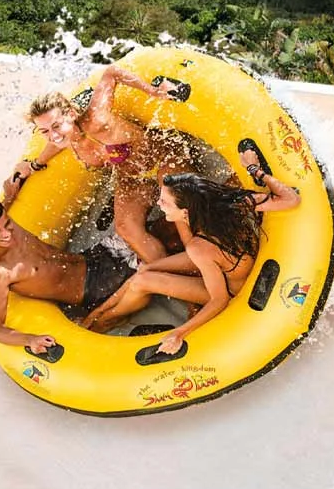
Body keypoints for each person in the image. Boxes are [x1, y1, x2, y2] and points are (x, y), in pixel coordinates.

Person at [80, 148, 301, 354]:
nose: (159, 203)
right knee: (144, 270)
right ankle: (100, 313)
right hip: (220, 261)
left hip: (229, 286)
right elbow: (291, 199)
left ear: (184, 212)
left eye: (164, 202)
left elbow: (219, 299)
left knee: (142, 281)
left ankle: (104, 319)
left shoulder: (199, 248)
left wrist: (179, 332)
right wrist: (255, 170)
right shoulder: (229, 203)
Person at [20, 64, 187, 263]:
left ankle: (199, 260)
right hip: (134, 177)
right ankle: (168, 274)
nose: (53, 135)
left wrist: (153, 92)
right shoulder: (66, 139)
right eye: (45, 131)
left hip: (163, 158)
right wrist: (34, 165)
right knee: (126, 229)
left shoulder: (95, 120)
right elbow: (55, 144)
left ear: (71, 115)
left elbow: (111, 73)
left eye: (56, 125)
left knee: (179, 206)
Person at [0, 194, 134, 357]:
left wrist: (14, 187)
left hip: (93, 256)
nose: (7, 234)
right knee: (150, 266)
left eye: (7, 224)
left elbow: (6, 203)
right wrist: (30, 339)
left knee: (149, 230)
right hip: (96, 288)